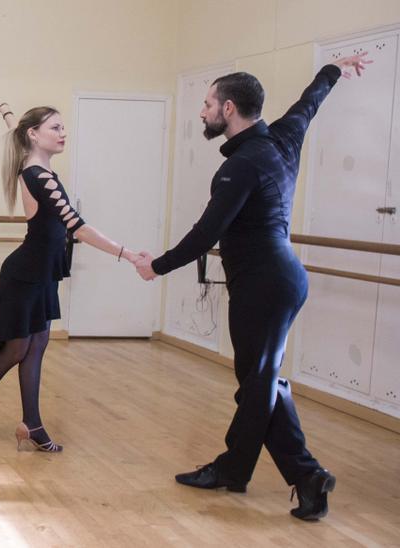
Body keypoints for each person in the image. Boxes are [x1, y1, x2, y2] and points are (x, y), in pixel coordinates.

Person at [134, 53, 372, 521]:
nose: (201, 111)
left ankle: (299, 474)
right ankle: (241, 469)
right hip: (281, 279)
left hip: (263, 284)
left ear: (228, 109)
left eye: (207, 104)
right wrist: (333, 71)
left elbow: (206, 232)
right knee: (260, 383)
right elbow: (310, 103)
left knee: (257, 385)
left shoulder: (239, 166)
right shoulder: (283, 137)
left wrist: (157, 267)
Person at [0, 99, 143, 451]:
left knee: (37, 347)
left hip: (42, 272)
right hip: (24, 274)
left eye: (63, 127)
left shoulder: (33, 166)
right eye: (55, 128)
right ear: (34, 135)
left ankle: (32, 424)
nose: (63, 133)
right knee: (18, 348)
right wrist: (126, 254)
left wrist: (4, 109)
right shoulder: (38, 177)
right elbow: (77, 227)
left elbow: (16, 131)